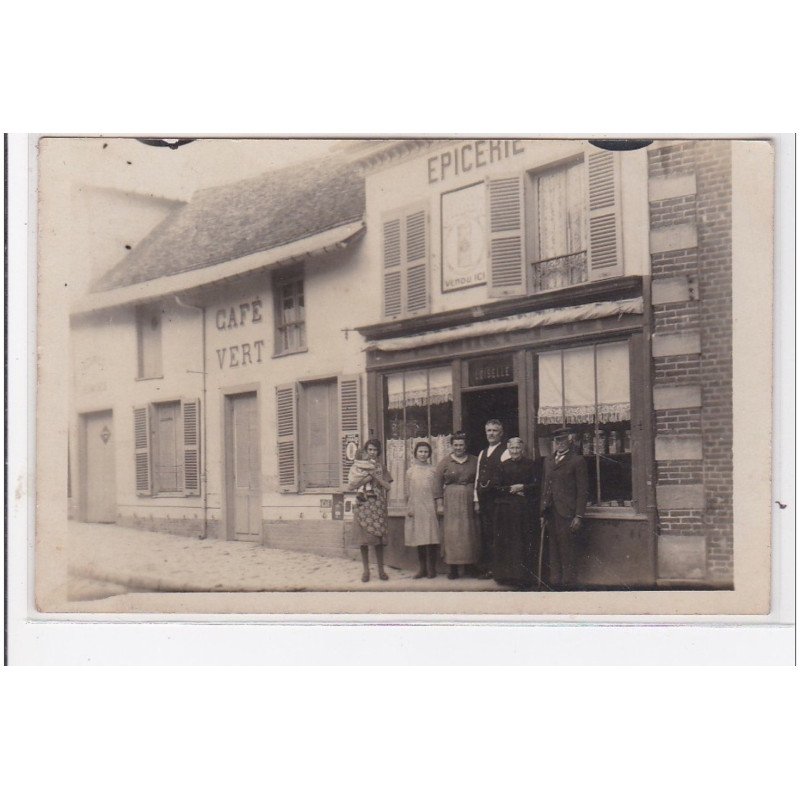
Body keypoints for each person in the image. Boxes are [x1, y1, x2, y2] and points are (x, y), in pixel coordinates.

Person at [540, 428, 588, 590]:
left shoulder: (577, 460)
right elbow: (545, 486)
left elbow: (583, 490)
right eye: (557, 441)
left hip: (567, 512)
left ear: (569, 441)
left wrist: (579, 515)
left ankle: (568, 583)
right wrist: (542, 511)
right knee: (552, 547)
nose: (559, 444)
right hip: (551, 511)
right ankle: (555, 581)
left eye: (562, 440)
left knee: (567, 548)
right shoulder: (548, 460)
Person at [490, 437, 540, 589]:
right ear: (508, 449)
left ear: (522, 449)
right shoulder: (502, 466)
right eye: (512, 449)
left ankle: (523, 577)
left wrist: (523, 487)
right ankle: (506, 576)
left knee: (523, 542)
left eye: (518, 448)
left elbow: (537, 485)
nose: (515, 452)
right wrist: (512, 489)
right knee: (508, 542)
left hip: (525, 511)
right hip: (506, 511)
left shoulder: (531, 464)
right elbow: (495, 488)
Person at [433, 432, 479, 579]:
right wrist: (439, 504)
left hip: (469, 499)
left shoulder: (474, 460)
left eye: (461, 445)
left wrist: (478, 501)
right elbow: (437, 483)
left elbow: (479, 480)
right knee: (452, 533)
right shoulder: (445, 462)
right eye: (456, 445)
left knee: (469, 531)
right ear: (452, 446)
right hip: (451, 500)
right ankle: (452, 567)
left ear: (466, 446)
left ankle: (470, 566)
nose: (458, 448)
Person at [347, 439, 392, 583]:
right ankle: (366, 571)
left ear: (379, 452)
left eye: (375, 450)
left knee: (378, 539)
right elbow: (351, 486)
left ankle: (381, 570)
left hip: (377, 503)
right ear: (366, 451)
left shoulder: (381, 467)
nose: (372, 452)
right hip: (363, 502)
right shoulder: (358, 466)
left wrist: (377, 478)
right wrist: (367, 477)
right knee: (363, 540)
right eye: (370, 450)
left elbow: (388, 486)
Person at [473, 419, 510, 578]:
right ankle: (488, 568)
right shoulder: (482, 452)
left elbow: (508, 477)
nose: (491, 434)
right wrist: (476, 500)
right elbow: (477, 477)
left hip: (499, 500)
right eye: (489, 430)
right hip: (484, 500)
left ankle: (499, 569)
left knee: (499, 534)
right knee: (486, 534)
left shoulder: (506, 451)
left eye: (495, 430)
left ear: (500, 433)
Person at [404, 441, 441, 579]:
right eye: (420, 451)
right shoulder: (410, 471)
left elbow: (437, 490)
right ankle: (422, 569)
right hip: (416, 507)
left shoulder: (433, 470)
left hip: (430, 507)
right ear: (415, 453)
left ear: (429, 454)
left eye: (426, 452)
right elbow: (407, 491)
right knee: (419, 538)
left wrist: (438, 506)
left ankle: (432, 569)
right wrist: (409, 507)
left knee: (431, 538)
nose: (423, 454)